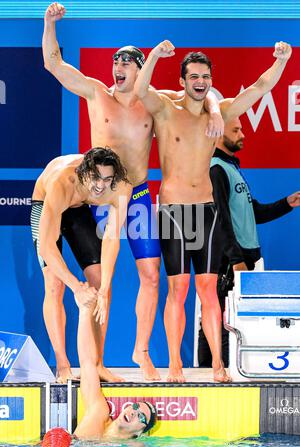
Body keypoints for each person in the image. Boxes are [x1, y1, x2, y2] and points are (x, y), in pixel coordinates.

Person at [42, 2, 224, 381]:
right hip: (96, 199)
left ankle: (140, 350)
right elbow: (54, 64)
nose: (118, 68)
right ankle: (89, 363)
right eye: (115, 62)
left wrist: (217, 109)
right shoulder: (96, 92)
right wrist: (48, 24)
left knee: (152, 276)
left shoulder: (154, 102)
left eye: (127, 62)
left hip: (136, 195)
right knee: (90, 284)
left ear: (140, 69)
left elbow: (202, 93)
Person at [134, 39, 292, 383]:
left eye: (205, 76)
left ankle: (218, 364)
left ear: (210, 79)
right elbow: (140, 88)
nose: (200, 81)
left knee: (208, 290)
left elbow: (259, 88)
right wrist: (155, 57)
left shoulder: (218, 112)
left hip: (206, 211)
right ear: (183, 80)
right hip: (175, 212)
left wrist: (281, 60)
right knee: (178, 289)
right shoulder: (164, 109)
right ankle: (175, 363)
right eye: (193, 76)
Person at [198, 117, 300, 367]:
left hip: (247, 259)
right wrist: (235, 259)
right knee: (222, 319)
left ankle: (231, 370)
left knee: (237, 320)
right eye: (236, 130)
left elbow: (254, 213)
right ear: (219, 134)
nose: (243, 134)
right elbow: (219, 218)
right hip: (231, 261)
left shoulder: (232, 168)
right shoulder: (216, 169)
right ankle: (206, 375)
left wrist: (287, 203)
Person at [31, 147, 132, 383]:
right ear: (84, 171)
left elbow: (112, 238)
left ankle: (98, 364)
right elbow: (47, 246)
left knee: (99, 284)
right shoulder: (62, 181)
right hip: (47, 202)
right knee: (55, 284)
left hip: (79, 209)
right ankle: (63, 365)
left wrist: (105, 288)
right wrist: (77, 286)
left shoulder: (121, 187)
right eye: (96, 178)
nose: (100, 186)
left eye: (107, 179)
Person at [73, 298, 157, 441]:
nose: (133, 413)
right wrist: (84, 311)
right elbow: (87, 362)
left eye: (141, 417)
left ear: (140, 433)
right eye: (135, 407)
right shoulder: (98, 413)